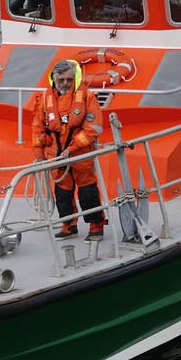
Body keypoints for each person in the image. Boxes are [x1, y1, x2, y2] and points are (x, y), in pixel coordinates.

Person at [27, 59, 106, 240]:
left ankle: (96, 225)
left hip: (80, 153)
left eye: (69, 80)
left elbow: (93, 128)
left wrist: (72, 148)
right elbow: (37, 129)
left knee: (87, 191)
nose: (65, 83)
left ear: (74, 79)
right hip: (55, 155)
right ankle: (68, 225)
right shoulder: (44, 100)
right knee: (62, 193)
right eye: (61, 80)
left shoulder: (87, 98)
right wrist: (39, 155)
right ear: (54, 79)